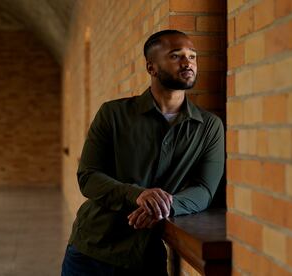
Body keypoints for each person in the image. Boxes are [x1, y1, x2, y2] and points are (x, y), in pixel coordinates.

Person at [61, 29, 224, 276]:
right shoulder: (113, 114)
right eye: (176, 56)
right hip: (91, 251)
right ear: (152, 68)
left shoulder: (209, 126)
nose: (187, 62)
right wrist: (137, 195)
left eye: (192, 56)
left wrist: (165, 206)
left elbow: (205, 189)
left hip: (147, 258)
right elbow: (88, 176)